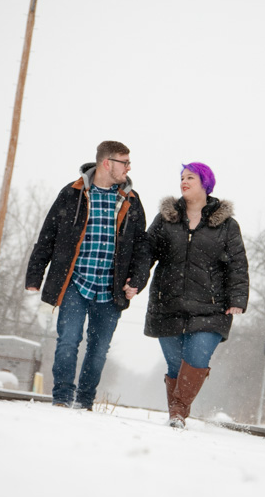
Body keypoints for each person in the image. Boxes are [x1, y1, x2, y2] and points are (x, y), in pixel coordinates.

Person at [25, 141, 150, 410]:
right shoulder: (73, 193)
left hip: (110, 289)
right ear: (107, 163)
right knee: (68, 341)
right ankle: (61, 398)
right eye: (124, 162)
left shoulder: (132, 199)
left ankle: (84, 401)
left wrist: (137, 281)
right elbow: (48, 235)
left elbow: (142, 247)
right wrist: (35, 276)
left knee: (98, 349)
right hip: (75, 283)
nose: (128, 167)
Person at [144, 162, 249, 428]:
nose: (184, 181)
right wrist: (135, 281)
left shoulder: (226, 225)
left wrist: (237, 298)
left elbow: (237, 263)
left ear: (206, 183)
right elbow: (146, 253)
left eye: (190, 177)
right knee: (175, 365)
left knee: (198, 358)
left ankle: (178, 413)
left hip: (211, 307)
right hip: (167, 304)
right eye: (181, 177)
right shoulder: (166, 218)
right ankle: (176, 415)